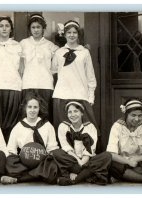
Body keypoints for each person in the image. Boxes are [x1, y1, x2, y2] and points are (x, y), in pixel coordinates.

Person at [51, 20, 100, 149]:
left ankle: (86, 158)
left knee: (86, 131)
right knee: (64, 131)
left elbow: (91, 77)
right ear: (64, 34)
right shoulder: (59, 52)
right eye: (69, 32)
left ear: (78, 35)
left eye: (74, 32)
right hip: (62, 95)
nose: (72, 35)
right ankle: (66, 158)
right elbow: (53, 70)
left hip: (80, 95)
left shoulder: (84, 52)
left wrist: (91, 97)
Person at [1, 92, 60, 184]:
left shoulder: (47, 126)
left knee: (53, 165)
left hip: (42, 162)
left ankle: (19, 179)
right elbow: (11, 149)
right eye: (29, 107)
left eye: (35, 107)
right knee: (9, 162)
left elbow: (52, 147)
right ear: (25, 108)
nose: (32, 110)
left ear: (39, 108)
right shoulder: (18, 126)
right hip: (24, 163)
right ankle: (39, 175)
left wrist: (49, 157)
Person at [56, 101, 112, 185]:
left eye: (76, 111)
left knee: (107, 156)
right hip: (72, 161)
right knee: (56, 153)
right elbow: (66, 147)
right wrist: (79, 161)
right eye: (70, 112)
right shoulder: (63, 126)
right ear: (67, 114)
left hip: (87, 161)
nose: (73, 114)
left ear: (82, 113)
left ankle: (75, 179)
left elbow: (91, 149)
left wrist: (83, 162)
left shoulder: (90, 127)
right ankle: (87, 175)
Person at [19, 13, 59, 123]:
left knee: (44, 116)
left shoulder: (50, 45)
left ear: (43, 28)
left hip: (45, 85)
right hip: (28, 84)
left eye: (38, 27)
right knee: (28, 117)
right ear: (29, 29)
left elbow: (63, 55)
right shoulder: (23, 43)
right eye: (33, 27)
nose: (36, 30)